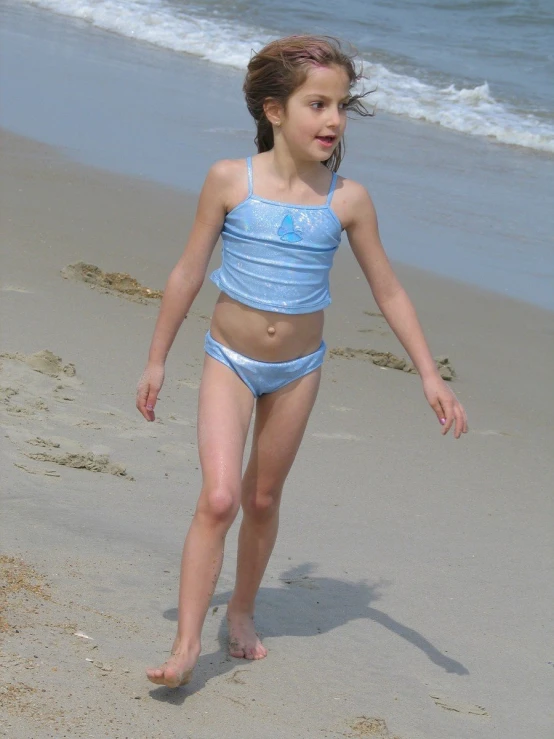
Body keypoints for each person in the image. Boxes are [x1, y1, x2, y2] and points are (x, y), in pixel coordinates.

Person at [136, 34, 468, 689]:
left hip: (298, 369)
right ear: (274, 111)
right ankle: (185, 642)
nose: (334, 120)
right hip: (228, 359)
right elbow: (188, 270)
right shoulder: (231, 179)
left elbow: (389, 289)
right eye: (318, 103)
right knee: (222, 495)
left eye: (341, 106)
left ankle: (243, 609)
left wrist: (429, 372)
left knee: (261, 497)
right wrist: (156, 359)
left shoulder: (347, 200)